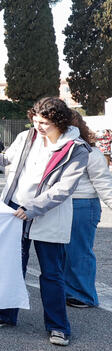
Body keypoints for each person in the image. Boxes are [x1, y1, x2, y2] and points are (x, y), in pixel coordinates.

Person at [0, 97, 90, 347]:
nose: (38, 126)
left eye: (45, 123)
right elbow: (5, 160)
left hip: (47, 216)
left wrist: (32, 208)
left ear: (59, 122)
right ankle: (5, 315)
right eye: (36, 120)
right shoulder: (26, 137)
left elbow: (64, 188)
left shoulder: (76, 148)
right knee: (11, 267)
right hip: (13, 211)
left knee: (52, 274)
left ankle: (58, 327)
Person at [62, 113, 112, 308]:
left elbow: (105, 185)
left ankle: (84, 295)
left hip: (83, 205)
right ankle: (69, 290)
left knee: (79, 252)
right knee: (64, 253)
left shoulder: (91, 153)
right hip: (61, 205)